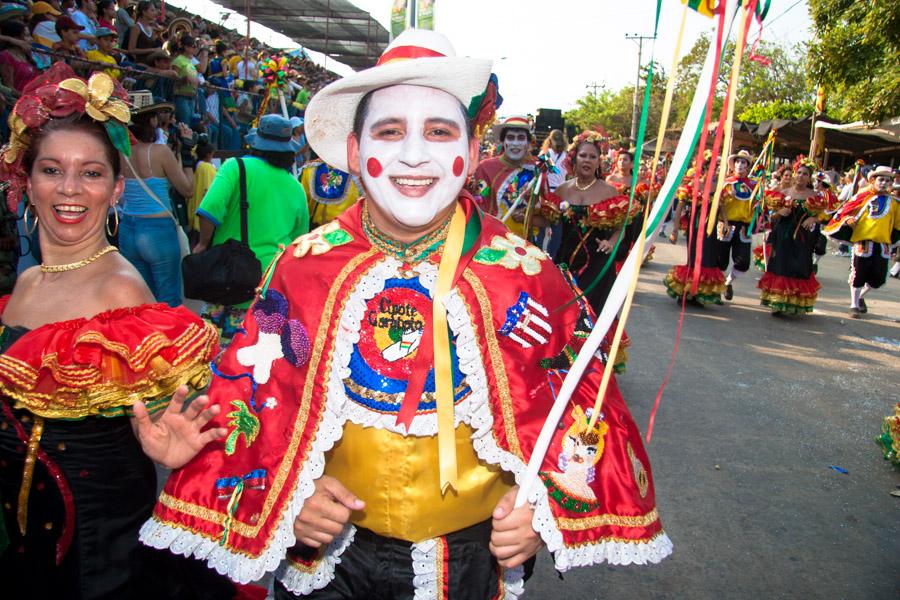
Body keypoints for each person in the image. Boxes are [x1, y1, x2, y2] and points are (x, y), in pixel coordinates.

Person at [141, 30, 671, 598]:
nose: (414, 154)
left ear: (470, 150)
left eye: (439, 133)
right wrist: (290, 496)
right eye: (389, 131)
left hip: (470, 558)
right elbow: (259, 404)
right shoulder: (303, 266)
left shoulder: (526, 271)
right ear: (352, 151)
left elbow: (576, 409)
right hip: (328, 555)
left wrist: (539, 509)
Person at [0, 63, 228, 598]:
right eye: (52, 171)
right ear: (26, 183)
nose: (70, 189)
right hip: (30, 543)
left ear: (116, 188)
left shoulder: (121, 294)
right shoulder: (28, 280)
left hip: (100, 554)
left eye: (92, 173)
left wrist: (176, 453)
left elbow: (197, 419)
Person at [193, 114, 309, 344]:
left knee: (219, 359)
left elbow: (209, 209)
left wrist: (203, 243)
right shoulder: (296, 188)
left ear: (256, 143)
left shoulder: (235, 168)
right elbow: (300, 241)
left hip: (229, 279)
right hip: (271, 285)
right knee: (260, 361)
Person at [545, 131, 631, 372]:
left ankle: (591, 364)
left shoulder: (610, 192)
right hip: (565, 263)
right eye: (583, 155)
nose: (587, 160)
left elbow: (622, 227)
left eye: (592, 156)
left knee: (592, 312)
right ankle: (563, 361)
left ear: (599, 161)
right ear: (574, 158)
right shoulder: (562, 190)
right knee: (565, 311)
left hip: (597, 264)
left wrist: (612, 241)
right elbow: (546, 221)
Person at [119, 100, 194, 307]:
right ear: (150, 120)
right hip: (158, 231)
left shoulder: (119, 152)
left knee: (142, 300)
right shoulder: (159, 152)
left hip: (128, 227)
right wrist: (186, 152)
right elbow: (187, 189)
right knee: (168, 299)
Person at [823, 165, 900, 318]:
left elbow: (898, 225)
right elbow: (846, 211)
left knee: (878, 278)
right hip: (863, 241)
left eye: (887, 180)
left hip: (882, 243)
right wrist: (848, 219)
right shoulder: (863, 196)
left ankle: (860, 296)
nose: (883, 183)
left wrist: (893, 242)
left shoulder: (895, 203)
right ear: (873, 180)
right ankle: (854, 305)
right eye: (881, 179)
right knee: (859, 274)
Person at [756, 158, 823, 316]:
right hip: (783, 235)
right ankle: (778, 303)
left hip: (804, 238)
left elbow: (825, 215)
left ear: (809, 177)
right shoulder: (783, 193)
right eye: (798, 172)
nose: (801, 176)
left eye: (805, 174)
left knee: (799, 266)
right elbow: (768, 215)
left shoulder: (815, 196)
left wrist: (813, 218)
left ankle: (794, 302)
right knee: (781, 265)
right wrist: (778, 213)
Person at [663, 164, 727, 306]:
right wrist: (675, 229)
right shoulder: (692, 185)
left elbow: (722, 209)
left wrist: (726, 225)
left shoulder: (718, 188)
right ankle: (687, 293)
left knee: (709, 260)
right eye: (711, 169)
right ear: (703, 170)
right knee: (694, 259)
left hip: (712, 230)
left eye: (716, 170)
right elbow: (679, 208)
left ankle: (701, 294)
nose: (714, 172)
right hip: (695, 228)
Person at [469, 115, 539, 239]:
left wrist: (527, 217)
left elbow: (546, 217)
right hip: (492, 240)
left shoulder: (537, 170)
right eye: (511, 138)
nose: (516, 143)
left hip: (527, 245)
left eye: (521, 138)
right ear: (502, 141)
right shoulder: (485, 168)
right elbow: (478, 207)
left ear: (528, 143)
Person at [717, 149, 757, 301]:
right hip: (726, 223)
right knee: (720, 260)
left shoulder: (754, 185)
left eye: (744, 162)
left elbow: (758, 207)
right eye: (738, 161)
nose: (740, 165)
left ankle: (728, 282)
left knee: (743, 262)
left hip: (744, 226)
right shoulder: (726, 183)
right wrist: (725, 222)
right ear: (733, 164)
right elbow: (719, 204)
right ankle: (717, 287)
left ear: (748, 166)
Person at [300, 155, 362, 228]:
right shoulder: (359, 174)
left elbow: (302, 204)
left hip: (315, 228)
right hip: (346, 229)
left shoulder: (310, 168)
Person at [0, 20, 39, 93]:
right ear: (16, 38)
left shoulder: (27, 54)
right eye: (27, 36)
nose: (31, 39)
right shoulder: (6, 56)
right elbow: (9, 87)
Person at [170, 34, 200, 127]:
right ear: (186, 47)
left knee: (189, 125)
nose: (195, 49)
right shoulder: (178, 60)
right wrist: (182, 79)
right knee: (184, 125)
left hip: (191, 97)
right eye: (193, 46)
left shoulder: (189, 61)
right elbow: (172, 79)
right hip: (181, 97)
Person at [187, 142, 216, 233]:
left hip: (195, 205)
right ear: (208, 154)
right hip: (204, 208)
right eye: (212, 155)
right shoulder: (206, 167)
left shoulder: (198, 165)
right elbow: (209, 188)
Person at [126, 0, 161, 65]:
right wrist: (153, 50)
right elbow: (131, 50)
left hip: (150, 63)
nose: (155, 13)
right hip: (140, 64)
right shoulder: (136, 27)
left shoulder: (151, 29)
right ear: (144, 12)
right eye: (152, 10)